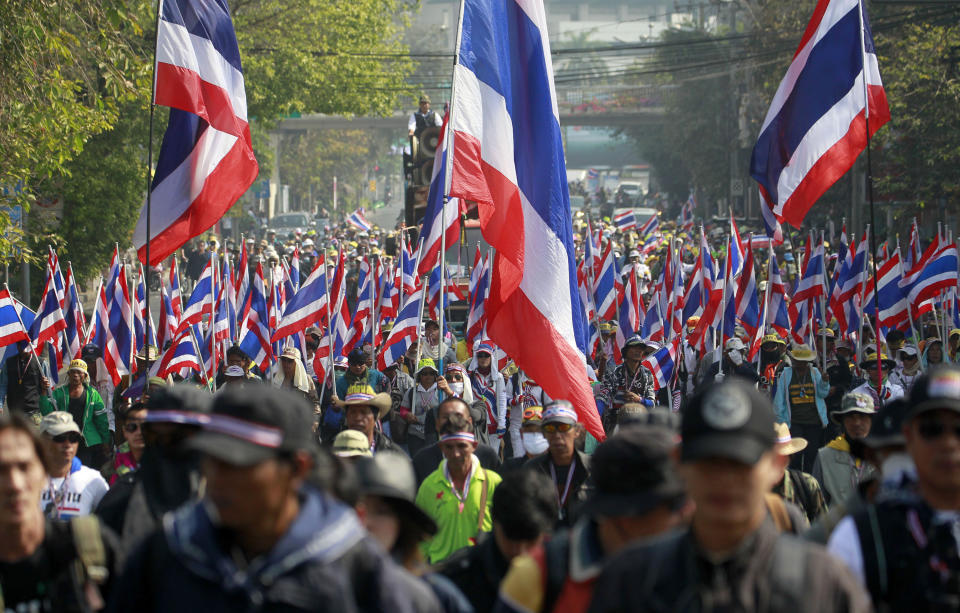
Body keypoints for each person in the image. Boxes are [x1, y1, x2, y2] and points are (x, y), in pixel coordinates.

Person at [108, 384, 417, 613]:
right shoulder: (167, 554)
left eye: (239, 464)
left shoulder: (357, 572)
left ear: (297, 468)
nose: (217, 477)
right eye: (210, 459)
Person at [587, 379, 871, 613]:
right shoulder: (631, 580)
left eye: (740, 463)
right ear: (679, 463)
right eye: (709, 462)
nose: (724, 479)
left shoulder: (824, 584)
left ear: (777, 465)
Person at [495, 425, 687, 613]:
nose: (685, 515)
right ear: (626, 515)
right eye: (674, 507)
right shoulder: (538, 575)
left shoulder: (692, 569)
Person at [827, 365, 960, 609]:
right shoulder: (859, 538)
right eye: (933, 429)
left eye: (959, 429)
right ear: (909, 437)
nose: (949, 443)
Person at [0, 413, 120, 612]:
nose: (15, 484)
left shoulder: (91, 545)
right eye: (2, 470)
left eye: (24, 467)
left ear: (41, 472)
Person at [95, 384, 211, 554]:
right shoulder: (123, 495)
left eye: (186, 436)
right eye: (164, 437)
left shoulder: (228, 500)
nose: (178, 447)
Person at [354, 453, 471, 613]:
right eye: (358, 511)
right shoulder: (321, 590)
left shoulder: (436, 596)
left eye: (382, 512)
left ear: (402, 523)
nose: (366, 523)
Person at [439, 470, 558, 612]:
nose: (519, 551)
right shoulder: (458, 579)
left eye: (529, 540)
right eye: (511, 538)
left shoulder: (564, 574)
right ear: (495, 521)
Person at [415, 413, 502, 564]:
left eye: (462, 446)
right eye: (449, 447)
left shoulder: (493, 482)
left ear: (474, 446)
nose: (455, 454)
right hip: (441, 573)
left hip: (481, 575)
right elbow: (419, 537)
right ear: (441, 447)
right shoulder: (429, 486)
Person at [525, 401, 592, 528]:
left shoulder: (593, 469)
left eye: (564, 428)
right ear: (544, 433)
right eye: (550, 429)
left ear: (577, 431)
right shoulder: (531, 470)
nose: (557, 435)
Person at [40, 359, 112, 469]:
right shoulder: (59, 393)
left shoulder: (93, 394)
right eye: (73, 372)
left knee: (82, 472)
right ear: (68, 374)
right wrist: (44, 392)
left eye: (79, 372)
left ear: (85, 375)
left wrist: (105, 441)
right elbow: (46, 412)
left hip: (86, 442)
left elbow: (101, 420)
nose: (76, 375)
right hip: (65, 440)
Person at [412, 397, 501, 486]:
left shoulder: (487, 456)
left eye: (459, 416)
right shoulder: (422, 460)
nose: (452, 420)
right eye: (446, 417)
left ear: (469, 421)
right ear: (437, 423)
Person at [813, 391, 878, 506]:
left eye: (863, 417)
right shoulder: (825, 457)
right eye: (851, 417)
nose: (857, 423)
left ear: (872, 422)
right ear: (842, 421)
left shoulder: (882, 457)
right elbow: (818, 507)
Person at [38, 412, 109, 518]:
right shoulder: (26, 480)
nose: (68, 444)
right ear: (43, 441)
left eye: (73, 438)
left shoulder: (93, 480)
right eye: (60, 438)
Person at [774, 343, 831, 472]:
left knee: (811, 456)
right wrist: (782, 422)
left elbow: (823, 393)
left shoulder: (815, 372)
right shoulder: (786, 374)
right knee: (795, 456)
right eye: (797, 360)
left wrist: (824, 382)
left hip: (814, 422)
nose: (799, 363)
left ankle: (810, 485)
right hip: (794, 422)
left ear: (807, 361)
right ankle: (795, 483)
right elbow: (779, 400)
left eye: (802, 361)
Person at [595, 335, 656, 434]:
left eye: (640, 348)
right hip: (616, 420)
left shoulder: (647, 374)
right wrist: (596, 417)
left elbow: (651, 404)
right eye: (634, 347)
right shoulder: (614, 371)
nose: (638, 351)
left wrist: (638, 399)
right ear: (625, 352)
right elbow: (603, 396)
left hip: (640, 421)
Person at [771, 422, 827, 525]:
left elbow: (823, 529)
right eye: (772, 458)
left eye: (783, 457)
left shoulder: (807, 485)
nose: (777, 463)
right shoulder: (751, 491)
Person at [399, 359, 444, 457]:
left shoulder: (441, 392)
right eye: (425, 373)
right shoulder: (412, 392)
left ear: (435, 375)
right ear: (419, 375)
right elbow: (403, 409)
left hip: (434, 434)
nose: (428, 376)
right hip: (415, 434)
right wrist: (407, 415)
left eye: (431, 373)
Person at [338, 383, 401, 454]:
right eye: (353, 412)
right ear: (347, 416)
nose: (358, 418)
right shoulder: (333, 454)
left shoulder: (393, 455)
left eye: (364, 412)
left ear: (375, 417)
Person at [467, 344, 507, 453]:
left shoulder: (498, 377)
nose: (483, 358)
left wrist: (502, 423)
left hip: (494, 424)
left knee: (492, 456)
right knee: (476, 456)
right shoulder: (470, 376)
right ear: (476, 358)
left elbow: (502, 401)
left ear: (491, 358)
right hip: (476, 424)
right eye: (480, 355)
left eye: (486, 355)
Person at [501, 405, 549, 473]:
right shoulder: (510, 468)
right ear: (521, 433)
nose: (535, 435)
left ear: (549, 433)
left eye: (539, 431)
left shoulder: (557, 469)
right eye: (530, 431)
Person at [109, 403, 147, 485]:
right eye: (132, 427)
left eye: (145, 426)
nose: (139, 432)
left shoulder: (168, 467)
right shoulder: (109, 472)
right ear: (124, 431)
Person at [4, 343, 45, 416]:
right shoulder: (9, 362)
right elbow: (2, 385)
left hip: (35, 412)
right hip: (15, 413)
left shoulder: (40, 362)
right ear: (17, 346)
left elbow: (48, 388)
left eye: (25, 344)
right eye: (20, 344)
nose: (22, 347)